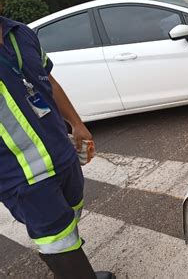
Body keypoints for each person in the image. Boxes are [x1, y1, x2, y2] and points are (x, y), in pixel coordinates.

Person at [0, 16, 114, 279]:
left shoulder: (21, 33)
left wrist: (76, 123)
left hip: (62, 154)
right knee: (56, 239)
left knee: (69, 222)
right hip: (23, 176)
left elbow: (48, 82)